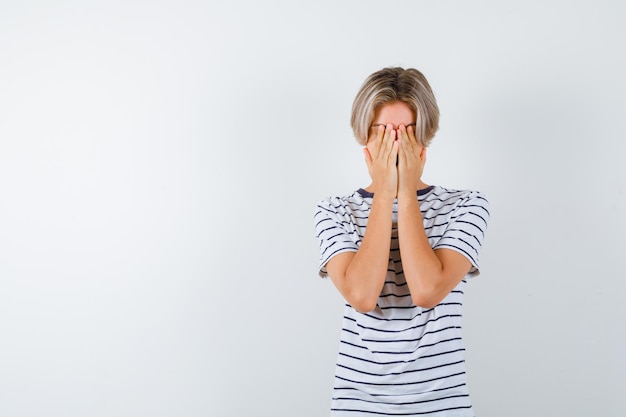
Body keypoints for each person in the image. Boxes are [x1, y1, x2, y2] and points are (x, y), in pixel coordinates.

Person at [314, 67, 490, 416]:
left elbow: (427, 291)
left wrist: (406, 191)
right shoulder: (334, 211)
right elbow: (362, 296)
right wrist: (384, 194)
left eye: (405, 133)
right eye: (382, 132)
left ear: (424, 137)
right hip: (358, 406)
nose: (394, 145)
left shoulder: (466, 205)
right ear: (363, 136)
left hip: (442, 405)